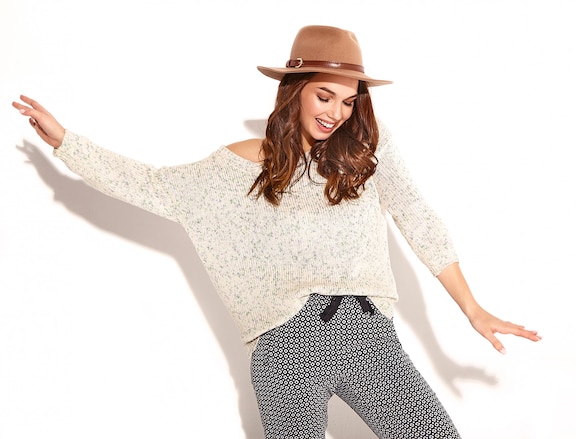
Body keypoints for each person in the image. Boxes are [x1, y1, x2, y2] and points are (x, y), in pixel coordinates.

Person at [13, 25, 540, 439]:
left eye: (349, 100)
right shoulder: (237, 167)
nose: (337, 112)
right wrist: (67, 143)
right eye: (325, 96)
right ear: (295, 92)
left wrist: (472, 308)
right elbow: (154, 186)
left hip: (367, 334)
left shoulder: (367, 154)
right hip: (287, 346)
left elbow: (418, 218)